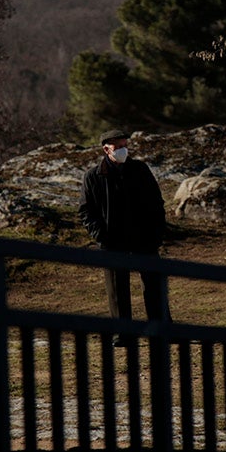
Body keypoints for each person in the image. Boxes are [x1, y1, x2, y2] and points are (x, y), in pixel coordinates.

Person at [78, 129, 170, 343]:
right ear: (106, 149)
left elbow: (157, 203)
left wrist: (156, 232)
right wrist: (100, 235)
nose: (123, 150)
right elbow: (86, 210)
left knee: (154, 284)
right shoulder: (93, 176)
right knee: (117, 289)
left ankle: (161, 328)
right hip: (113, 240)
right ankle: (123, 332)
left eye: (124, 145)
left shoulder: (139, 169)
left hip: (143, 237)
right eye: (118, 147)